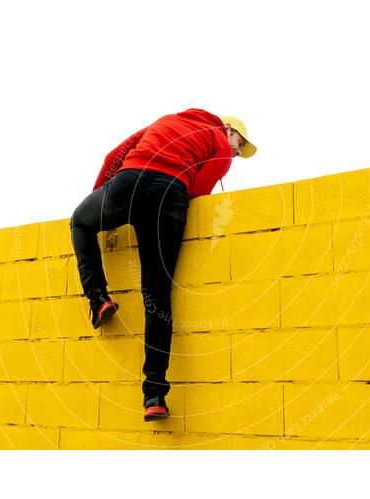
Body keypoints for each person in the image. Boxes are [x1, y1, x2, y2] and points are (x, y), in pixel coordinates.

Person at [69, 108, 257, 421]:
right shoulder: (220, 145)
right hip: (169, 194)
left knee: (80, 221)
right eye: (239, 143)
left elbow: (116, 155)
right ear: (227, 129)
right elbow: (199, 190)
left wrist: (103, 197)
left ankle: (98, 297)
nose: (236, 151)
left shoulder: (169, 120)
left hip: (127, 183)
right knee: (156, 295)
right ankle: (154, 395)